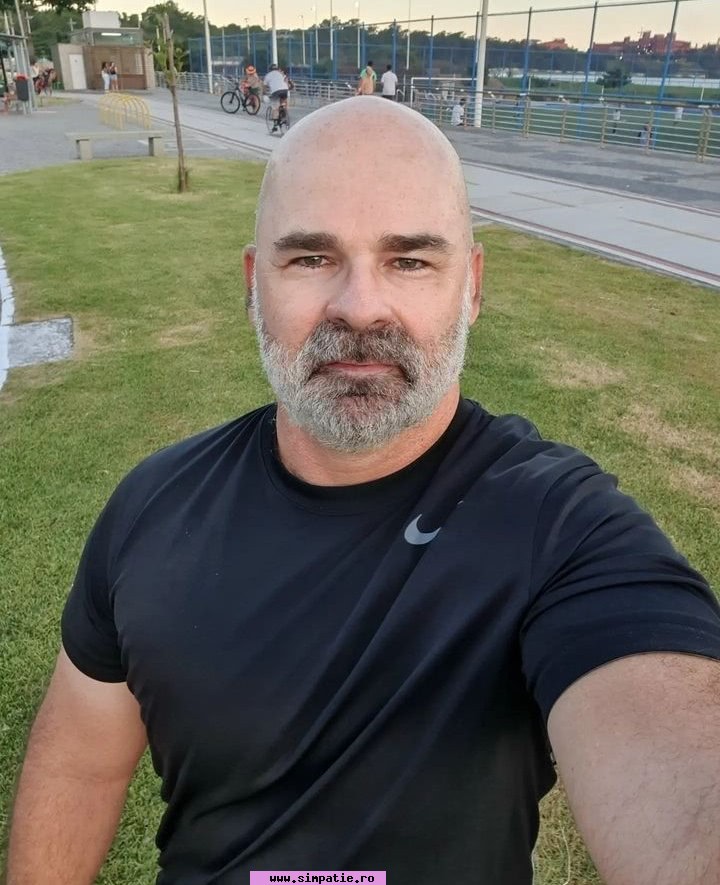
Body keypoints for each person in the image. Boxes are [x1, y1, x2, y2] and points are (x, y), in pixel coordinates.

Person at [5, 98, 720, 885]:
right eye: (311, 258)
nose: (359, 306)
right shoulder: (153, 506)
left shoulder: (561, 530)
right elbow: (79, 764)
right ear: (253, 285)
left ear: (472, 287)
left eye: (409, 261)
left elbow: (682, 778)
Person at [263, 62, 288, 133]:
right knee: (283, 103)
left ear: (270, 69)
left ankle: (275, 125)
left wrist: (264, 93)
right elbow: (285, 81)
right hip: (285, 90)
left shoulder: (268, 75)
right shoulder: (281, 73)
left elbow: (264, 86)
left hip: (276, 92)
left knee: (275, 108)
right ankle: (284, 114)